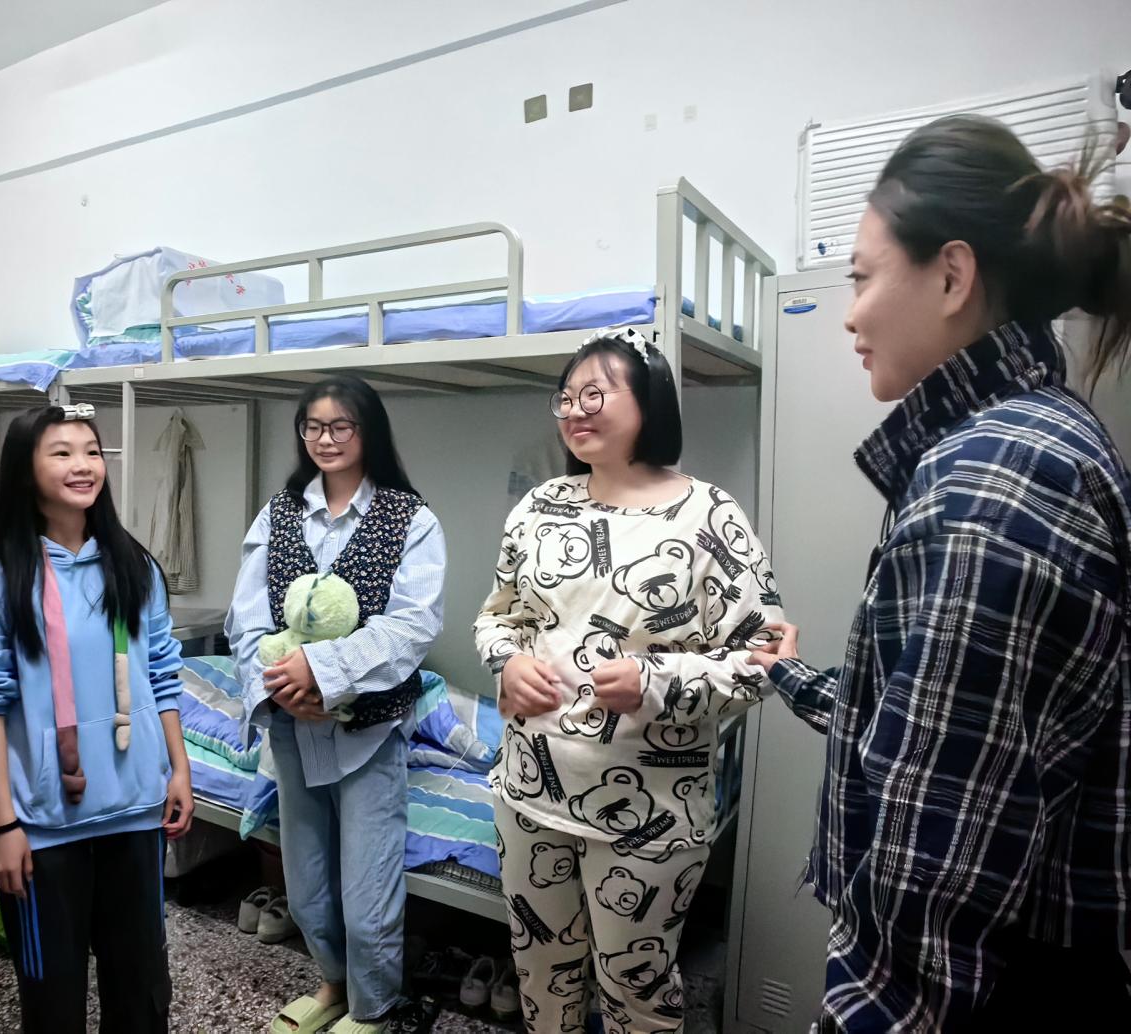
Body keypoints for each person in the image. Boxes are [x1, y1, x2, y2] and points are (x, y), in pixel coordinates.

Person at [750, 115, 1131, 1032]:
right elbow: (930, 725)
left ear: (953, 275)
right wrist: (787, 674)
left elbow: (929, 903)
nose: (849, 314)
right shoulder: (1024, 442)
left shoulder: (993, 481)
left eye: (862, 277)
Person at [473, 326, 784, 1034]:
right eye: (566, 397)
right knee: (540, 976)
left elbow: (765, 657)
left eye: (595, 394)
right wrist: (507, 661)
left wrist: (655, 679)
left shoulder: (710, 514)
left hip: (651, 818)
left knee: (637, 992)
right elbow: (497, 617)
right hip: (528, 795)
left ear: (649, 401)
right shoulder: (540, 505)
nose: (574, 410)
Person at [0, 405, 193, 1034]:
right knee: (53, 1003)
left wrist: (178, 769)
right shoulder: (2, 578)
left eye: (91, 451)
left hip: (133, 813)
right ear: (24, 470)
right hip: (43, 828)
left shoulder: (133, 566)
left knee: (141, 994)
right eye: (61, 452)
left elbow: (162, 674)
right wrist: (4, 824)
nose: (83, 465)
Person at [226, 376, 446, 1034]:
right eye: (313, 426)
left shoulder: (411, 518)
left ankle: (372, 1007)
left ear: (367, 430)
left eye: (341, 425)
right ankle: (330, 984)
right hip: (292, 728)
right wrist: (281, 685)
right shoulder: (279, 513)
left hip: (367, 731)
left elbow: (411, 628)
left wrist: (324, 675)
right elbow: (246, 618)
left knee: (367, 888)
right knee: (308, 881)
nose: (325, 438)